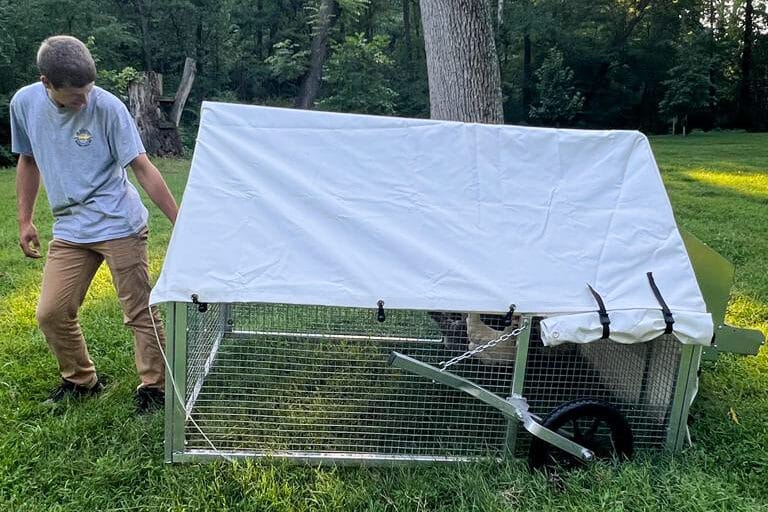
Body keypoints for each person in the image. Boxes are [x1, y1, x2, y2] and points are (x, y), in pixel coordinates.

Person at [10, 35, 179, 414]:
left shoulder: (107, 107)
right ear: (46, 84)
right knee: (51, 312)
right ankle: (80, 380)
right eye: (74, 95)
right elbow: (28, 160)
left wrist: (179, 220)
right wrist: (25, 220)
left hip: (119, 222)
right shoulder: (24, 103)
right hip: (70, 228)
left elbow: (142, 166)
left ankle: (155, 388)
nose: (83, 101)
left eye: (87, 91)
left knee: (138, 311)